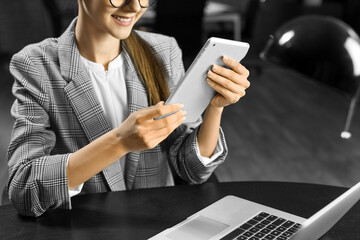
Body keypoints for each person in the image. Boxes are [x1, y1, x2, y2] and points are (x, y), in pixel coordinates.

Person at [6, 0, 250, 217]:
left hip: (159, 225)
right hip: (87, 229)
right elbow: (24, 189)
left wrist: (215, 108)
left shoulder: (165, 51)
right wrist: (120, 142)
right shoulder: (36, 64)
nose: (135, 7)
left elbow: (192, 171)